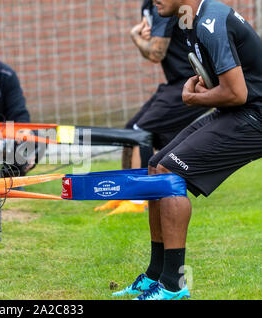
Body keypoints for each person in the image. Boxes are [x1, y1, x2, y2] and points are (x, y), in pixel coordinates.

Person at [113, 0, 262, 300]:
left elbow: (237, 92)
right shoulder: (193, 22)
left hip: (254, 116)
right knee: (156, 165)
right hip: (238, 110)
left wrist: (194, 100)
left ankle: (173, 285)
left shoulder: (211, 22)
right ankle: (155, 275)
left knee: (169, 171)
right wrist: (205, 93)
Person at [95, 0, 209, 215]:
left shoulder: (164, 4)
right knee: (132, 130)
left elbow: (156, 53)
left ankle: (138, 200)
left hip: (193, 81)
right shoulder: (149, 5)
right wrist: (143, 40)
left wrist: (135, 37)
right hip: (175, 82)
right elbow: (152, 53)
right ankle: (125, 195)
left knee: (141, 131)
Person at [0, 41, 37, 178]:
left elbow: (19, 111)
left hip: (5, 133)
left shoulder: (7, 76)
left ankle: (11, 179)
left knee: (38, 137)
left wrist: (24, 133)